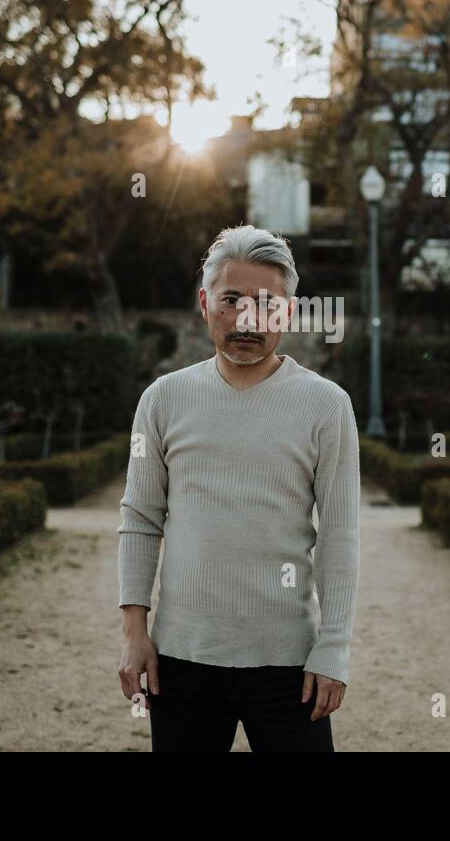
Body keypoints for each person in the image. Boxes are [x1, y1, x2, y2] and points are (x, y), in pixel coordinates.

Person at [116, 224, 361, 751]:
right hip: (181, 662)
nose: (247, 318)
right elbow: (139, 517)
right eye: (231, 299)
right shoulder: (162, 400)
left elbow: (340, 535)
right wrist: (135, 633)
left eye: (266, 303)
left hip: (289, 664)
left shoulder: (326, 405)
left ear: (288, 313)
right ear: (205, 304)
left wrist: (333, 648)